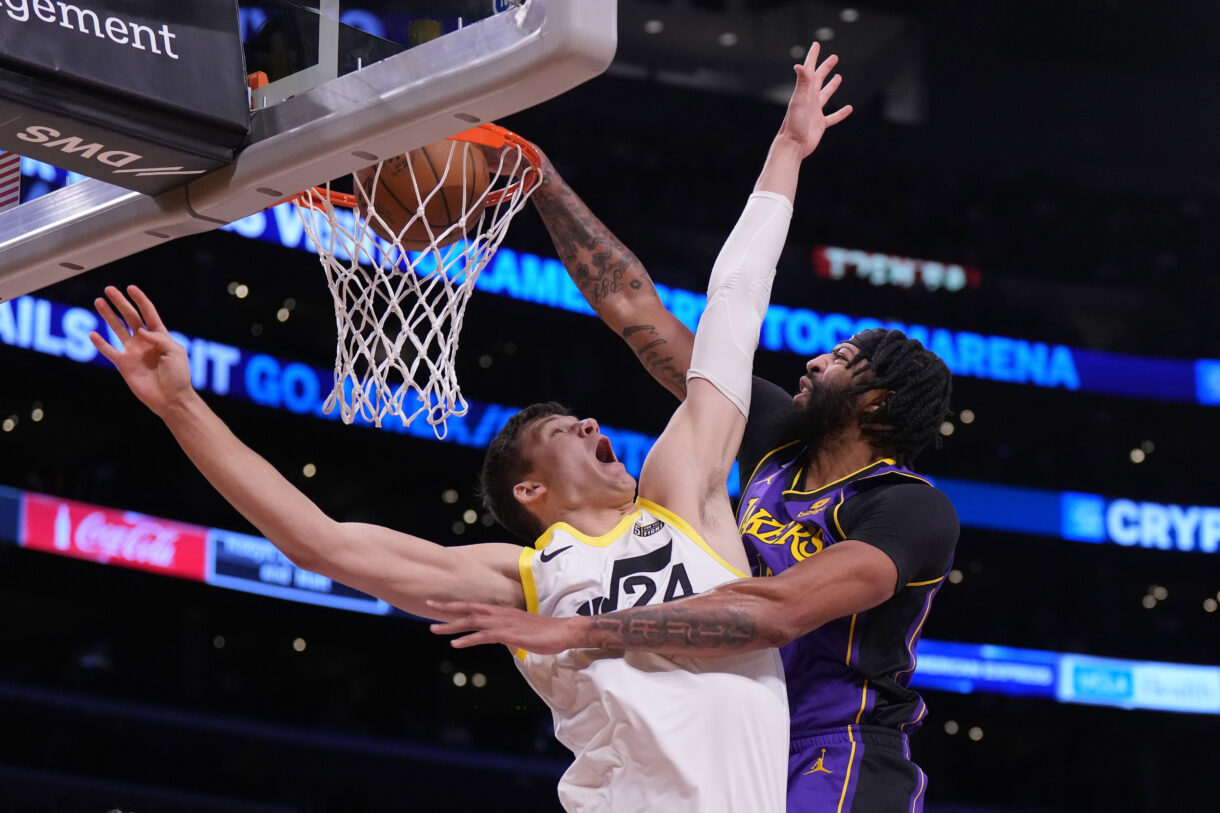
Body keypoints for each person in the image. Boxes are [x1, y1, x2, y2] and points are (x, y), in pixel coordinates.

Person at [90, 43, 852, 813]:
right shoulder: (525, 576)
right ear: (530, 488)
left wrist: (786, 151)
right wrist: (181, 405)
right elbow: (321, 541)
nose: (590, 418)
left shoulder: (682, 494)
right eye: (560, 429)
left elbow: (734, 307)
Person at [429, 51, 958, 813]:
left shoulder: (907, 509)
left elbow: (773, 612)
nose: (813, 359)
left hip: (833, 745)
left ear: (880, 403)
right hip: (736, 727)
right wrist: (544, 183)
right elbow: (637, 312)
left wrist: (587, 631)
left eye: (841, 359)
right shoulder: (774, 430)